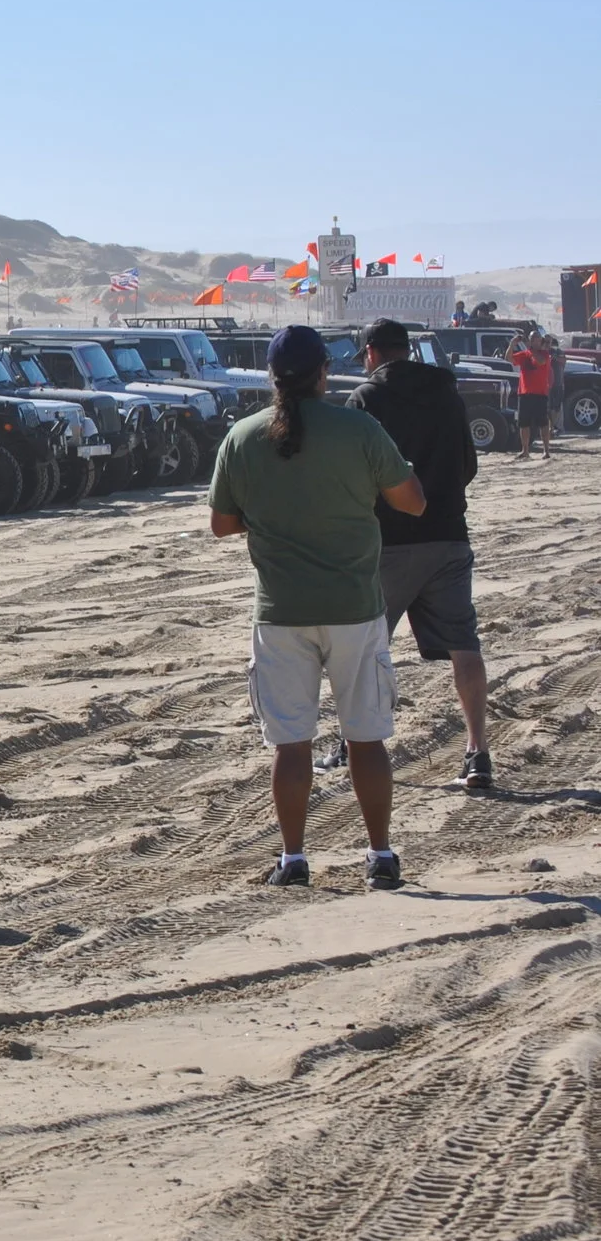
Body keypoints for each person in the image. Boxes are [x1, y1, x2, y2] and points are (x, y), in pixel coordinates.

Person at [208, 325, 427, 891]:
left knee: (290, 742)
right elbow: (413, 501)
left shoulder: (242, 435)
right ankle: (380, 856)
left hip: (281, 610)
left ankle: (294, 859)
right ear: (323, 372)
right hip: (354, 605)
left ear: (271, 376)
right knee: (366, 738)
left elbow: (222, 525)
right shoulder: (358, 427)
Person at [353, 320, 491, 789]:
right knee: (464, 646)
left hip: (389, 540)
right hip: (449, 533)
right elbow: (467, 465)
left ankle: (357, 745)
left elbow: (356, 476)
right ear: (408, 351)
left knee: (370, 648)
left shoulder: (367, 399)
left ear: (371, 353)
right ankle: (478, 752)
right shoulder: (447, 393)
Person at [506, 333, 556, 458]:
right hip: (524, 393)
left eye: (537, 340)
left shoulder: (544, 354)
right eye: (533, 339)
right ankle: (525, 450)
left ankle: (546, 450)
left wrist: (530, 349)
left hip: (540, 393)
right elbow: (508, 358)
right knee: (524, 423)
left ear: (541, 341)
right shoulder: (524, 354)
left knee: (543, 423)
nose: (535, 342)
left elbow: (540, 362)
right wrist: (512, 344)